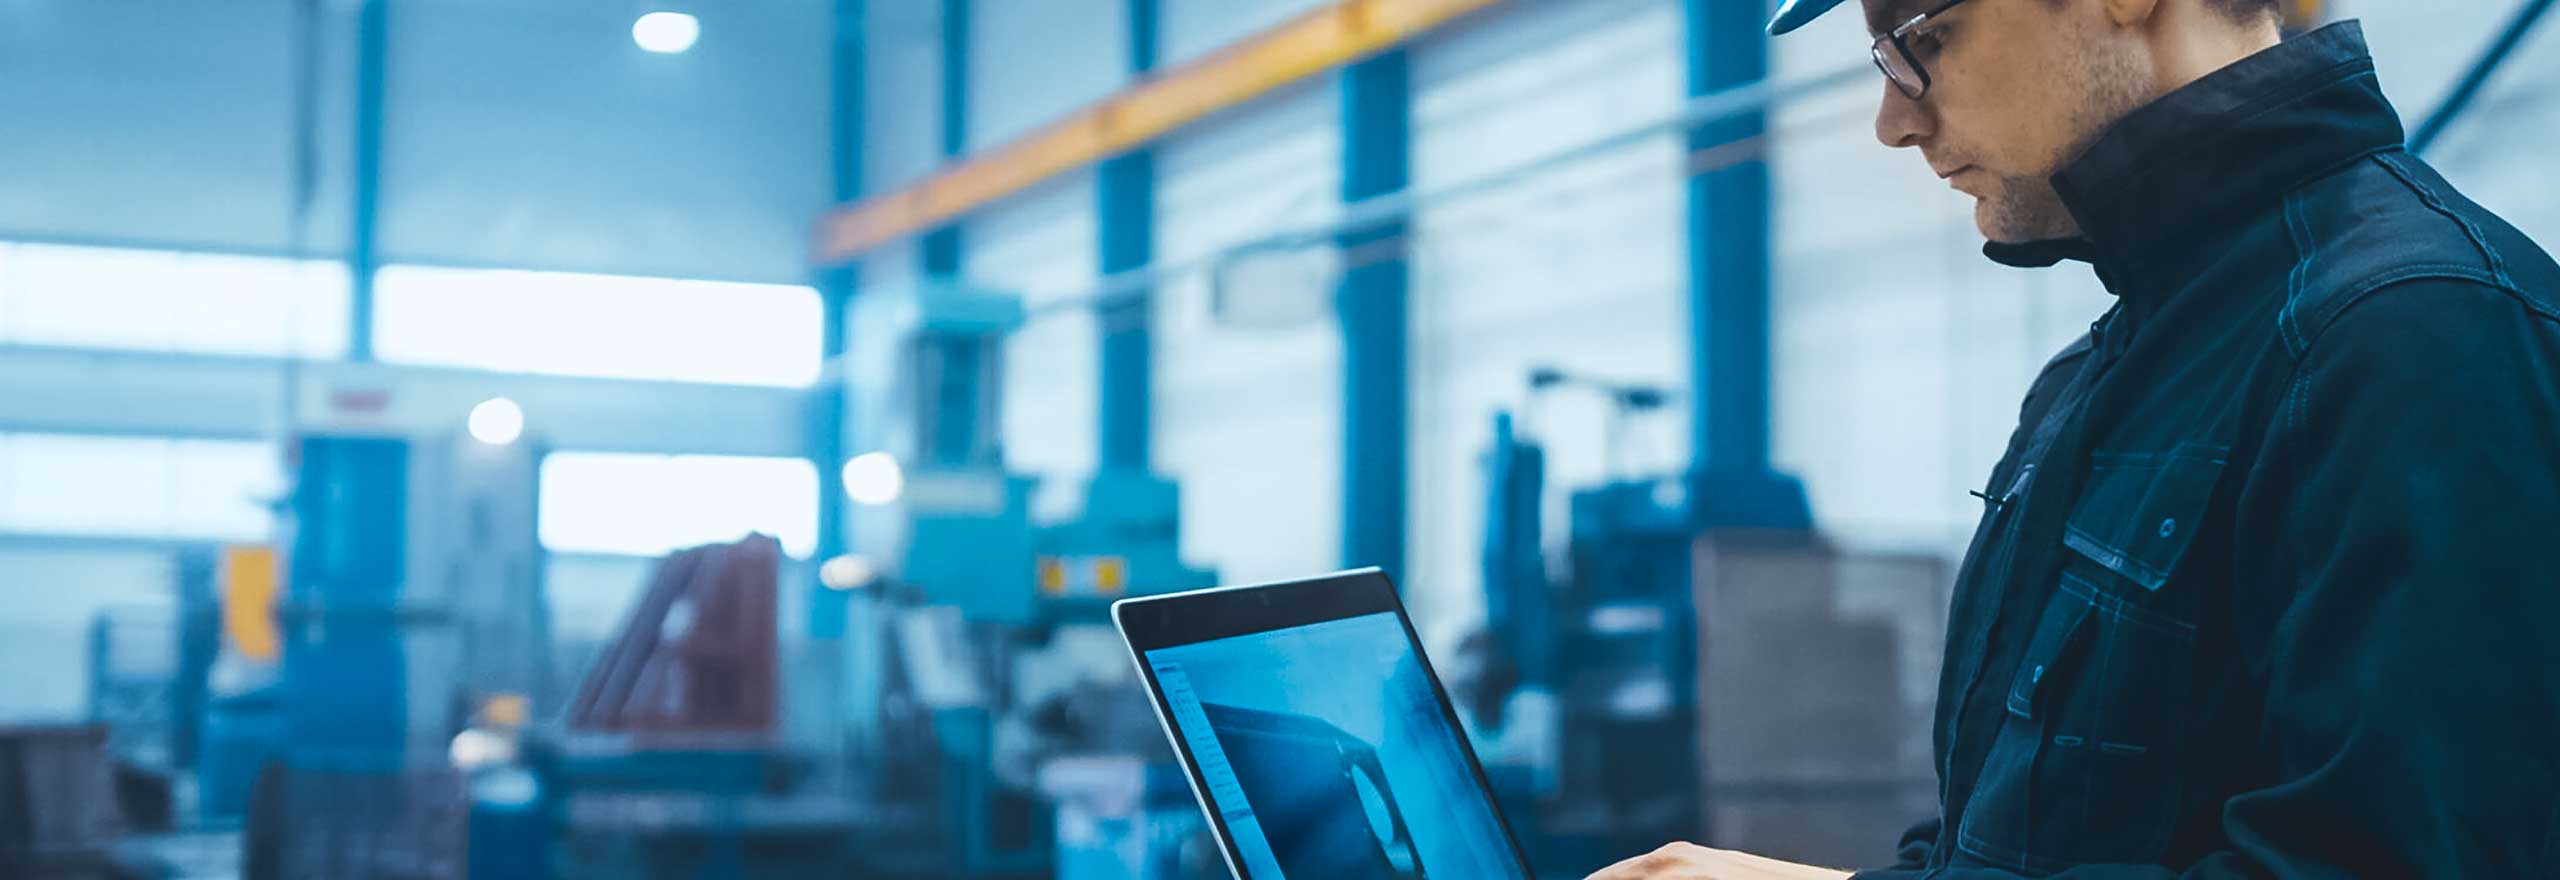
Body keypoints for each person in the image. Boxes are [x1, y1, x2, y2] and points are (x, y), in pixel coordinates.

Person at [1590, 0, 2560, 877]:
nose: (1893, 123)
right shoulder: (2110, 366)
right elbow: (2026, 839)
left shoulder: (2410, 335)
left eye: (1918, 42)